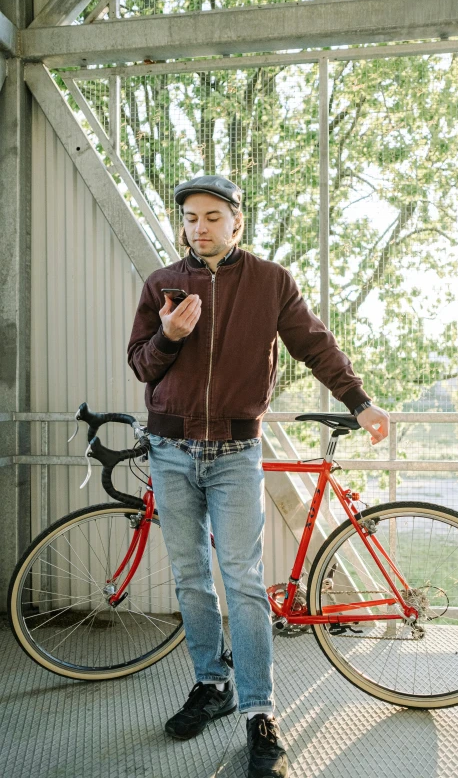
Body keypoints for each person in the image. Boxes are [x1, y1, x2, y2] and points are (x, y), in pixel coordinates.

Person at [127, 175, 389, 778]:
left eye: (214, 216)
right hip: (169, 447)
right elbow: (141, 365)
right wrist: (169, 337)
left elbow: (314, 345)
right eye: (191, 217)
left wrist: (360, 401)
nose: (201, 226)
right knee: (192, 578)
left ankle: (259, 711)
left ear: (237, 222)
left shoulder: (271, 282)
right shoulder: (161, 284)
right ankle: (210, 682)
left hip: (234, 454)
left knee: (242, 581)